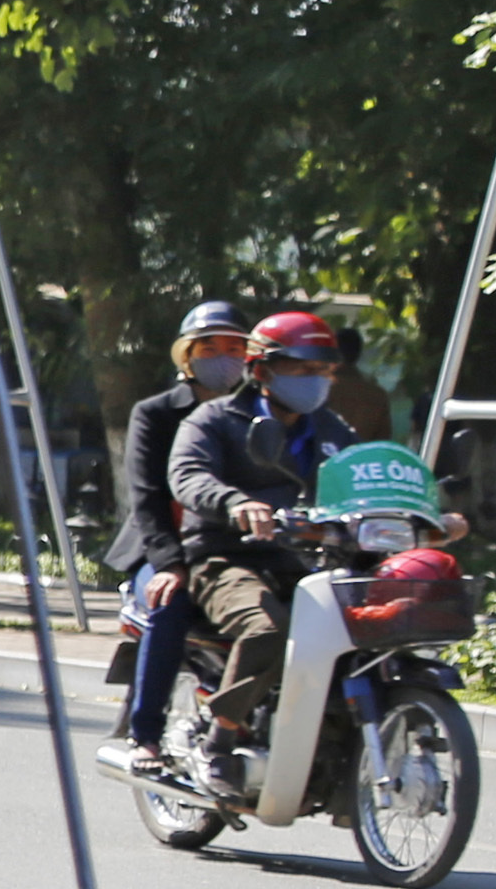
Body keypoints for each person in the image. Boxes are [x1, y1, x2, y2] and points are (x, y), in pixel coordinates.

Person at [171, 308, 366, 761]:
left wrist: (424, 515)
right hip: (229, 559)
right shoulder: (213, 420)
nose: (315, 379)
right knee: (269, 630)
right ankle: (220, 737)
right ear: (262, 370)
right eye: (302, 368)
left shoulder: (335, 430)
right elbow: (189, 475)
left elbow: (364, 477)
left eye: (323, 370)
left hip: (309, 561)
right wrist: (236, 504)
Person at [97, 302, 241, 775]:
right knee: (169, 602)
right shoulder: (155, 414)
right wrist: (169, 565)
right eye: (210, 348)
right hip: (163, 551)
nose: (224, 357)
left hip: (230, 551)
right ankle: (146, 736)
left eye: (235, 348)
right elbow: (147, 498)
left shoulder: (254, 416)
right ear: (187, 356)